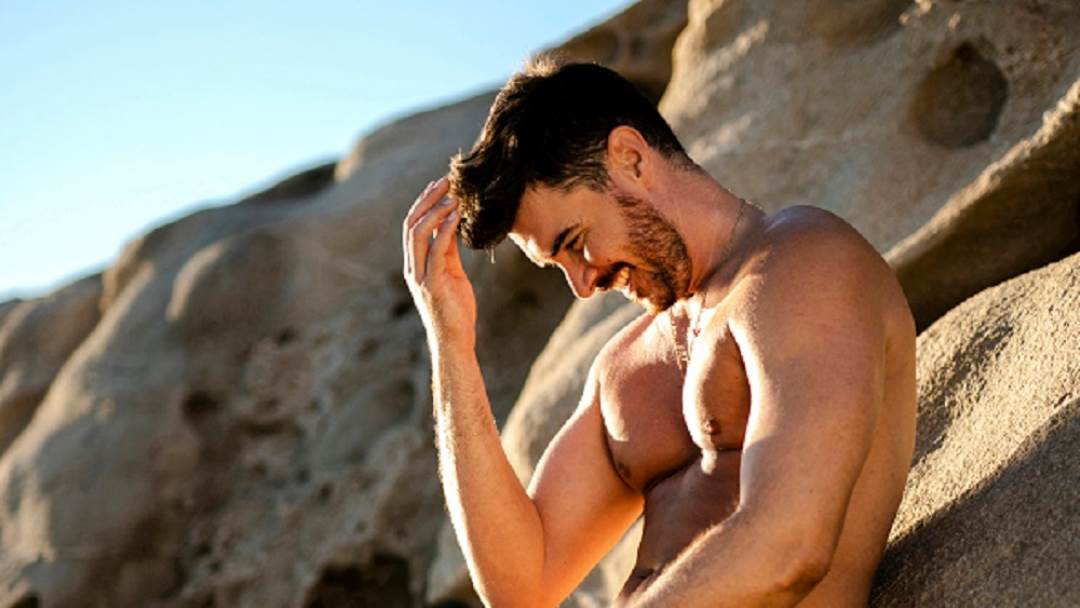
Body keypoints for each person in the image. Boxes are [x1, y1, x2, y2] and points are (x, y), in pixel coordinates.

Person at [403, 57, 916, 607]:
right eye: (558, 266)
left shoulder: (805, 264)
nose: (583, 285)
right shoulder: (625, 367)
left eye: (575, 242)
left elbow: (790, 545)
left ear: (630, 158)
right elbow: (521, 588)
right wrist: (451, 344)